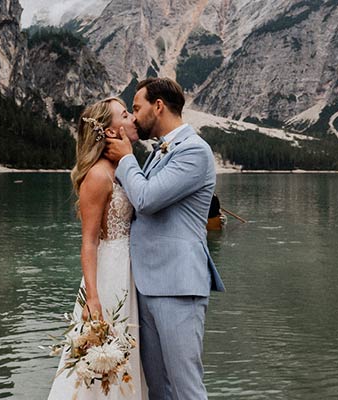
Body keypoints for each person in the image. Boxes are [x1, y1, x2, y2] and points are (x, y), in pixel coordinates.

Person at [103, 77, 225, 400]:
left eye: (137, 108)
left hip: (178, 287)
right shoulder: (159, 152)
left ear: (158, 107)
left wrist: (126, 157)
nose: (134, 115)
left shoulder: (195, 151)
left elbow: (145, 198)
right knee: (158, 389)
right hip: (148, 286)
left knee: (186, 389)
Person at [48, 97, 148, 399]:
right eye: (125, 114)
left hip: (129, 272)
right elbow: (89, 241)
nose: (132, 119)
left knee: (126, 358)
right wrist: (92, 297)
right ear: (108, 130)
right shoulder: (98, 175)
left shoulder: (123, 168)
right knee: (102, 358)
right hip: (109, 275)